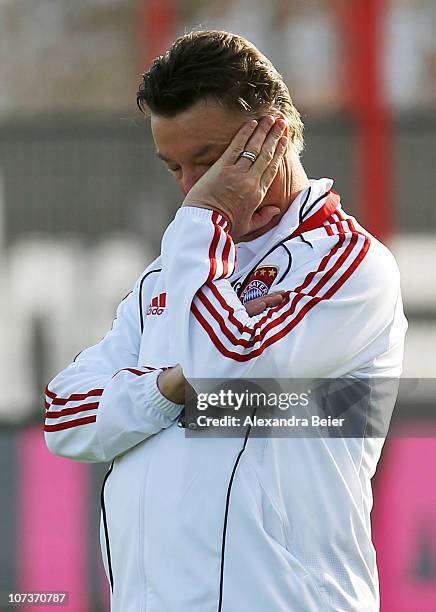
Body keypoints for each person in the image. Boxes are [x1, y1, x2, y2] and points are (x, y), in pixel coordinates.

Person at [44, 30, 407, 612]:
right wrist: (165, 388)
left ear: (273, 137)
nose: (194, 188)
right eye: (176, 169)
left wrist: (200, 223)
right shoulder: (169, 278)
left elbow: (223, 371)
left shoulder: (349, 262)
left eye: (210, 162)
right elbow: (65, 416)